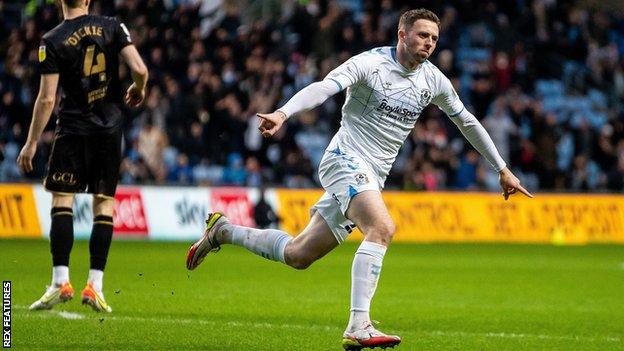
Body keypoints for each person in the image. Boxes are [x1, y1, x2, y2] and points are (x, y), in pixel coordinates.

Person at [186, 8, 532, 350]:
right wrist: (283, 112)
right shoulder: (369, 64)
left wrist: (501, 168)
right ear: (402, 35)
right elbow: (324, 88)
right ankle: (358, 325)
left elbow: (467, 121)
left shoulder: (433, 80)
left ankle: (223, 231)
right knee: (382, 227)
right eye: (423, 35)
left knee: (298, 254)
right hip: (344, 159)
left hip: (372, 176)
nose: (429, 43)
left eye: (434, 39)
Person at [17, 0, 148, 313]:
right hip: (110, 129)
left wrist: (31, 142)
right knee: (104, 204)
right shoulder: (114, 26)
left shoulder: (52, 40)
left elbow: (47, 98)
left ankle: (60, 280)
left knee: (63, 200)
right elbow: (140, 69)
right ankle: (95, 284)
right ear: (88, 0)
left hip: (73, 129)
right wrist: (138, 89)